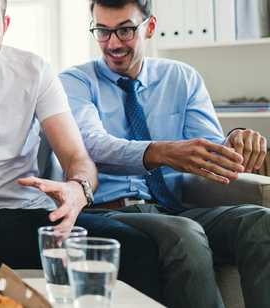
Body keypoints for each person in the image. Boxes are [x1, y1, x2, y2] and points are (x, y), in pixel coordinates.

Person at [0, 0, 162, 300]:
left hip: (29, 215)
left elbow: (78, 158)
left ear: (5, 25)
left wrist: (78, 190)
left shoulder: (33, 71)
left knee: (137, 248)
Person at [59, 1, 270, 307]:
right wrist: (161, 152)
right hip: (110, 212)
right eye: (102, 31)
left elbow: (209, 151)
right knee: (184, 234)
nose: (113, 43)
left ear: (151, 27)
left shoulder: (182, 77)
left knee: (261, 221)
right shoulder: (75, 81)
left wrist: (235, 141)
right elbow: (91, 145)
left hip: (172, 207)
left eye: (125, 30)